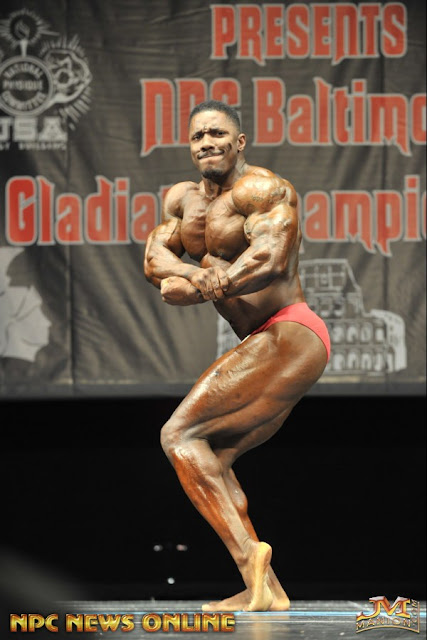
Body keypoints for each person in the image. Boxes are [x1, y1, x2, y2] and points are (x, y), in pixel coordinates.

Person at [143, 100, 330, 612]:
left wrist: (204, 286)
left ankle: (251, 558)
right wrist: (193, 274)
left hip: (290, 331)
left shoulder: (261, 189)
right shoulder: (182, 201)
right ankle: (265, 589)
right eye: (198, 135)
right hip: (264, 339)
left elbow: (271, 257)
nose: (207, 142)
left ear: (239, 141)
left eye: (218, 133)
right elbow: (155, 259)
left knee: (178, 435)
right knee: (211, 461)